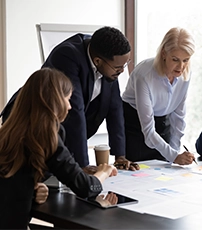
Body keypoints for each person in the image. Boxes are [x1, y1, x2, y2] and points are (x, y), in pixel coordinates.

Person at [0, 26, 139, 172]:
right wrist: (82, 165)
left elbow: (115, 108)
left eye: (125, 64)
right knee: (29, 176)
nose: (122, 70)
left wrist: (120, 156)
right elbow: (74, 110)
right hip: (31, 124)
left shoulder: (108, 63)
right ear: (98, 61)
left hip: (59, 129)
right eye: (118, 67)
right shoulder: (67, 55)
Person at [0, 68, 118, 229]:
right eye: (67, 99)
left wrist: (32, 190)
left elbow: (10, 183)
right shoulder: (45, 135)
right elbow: (86, 187)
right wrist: (103, 171)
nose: (69, 106)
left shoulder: (8, 132)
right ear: (55, 100)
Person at [121, 27, 196, 165]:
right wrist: (174, 156)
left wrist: (174, 152)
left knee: (166, 172)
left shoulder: (186, 73)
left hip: (162, 122)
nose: (181, 66)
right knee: (139, 175)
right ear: (163, 54)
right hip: (135, 125)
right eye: (175, 59)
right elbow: (149, 131)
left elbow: (178, 117)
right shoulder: (144, 75)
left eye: (186, 60)